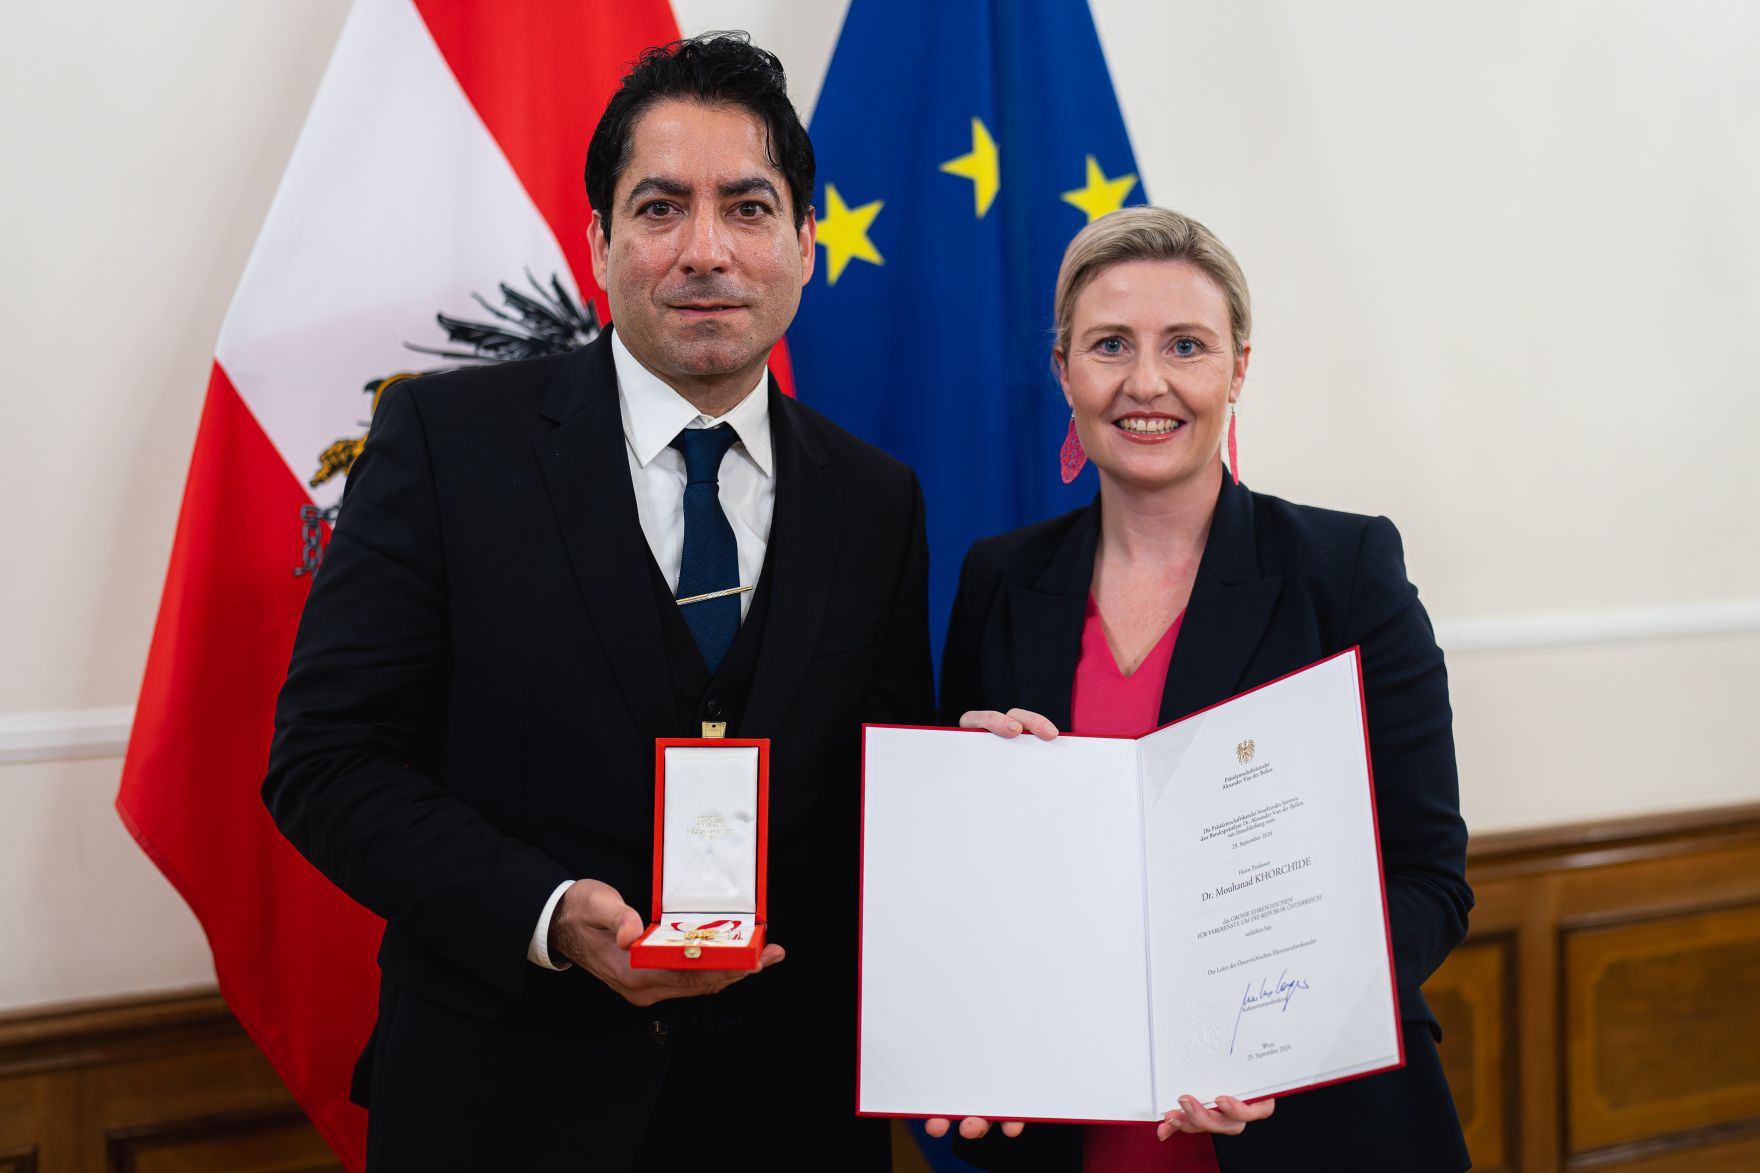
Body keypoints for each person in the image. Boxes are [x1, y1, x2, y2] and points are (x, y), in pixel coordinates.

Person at [263, 34, 931, 1171]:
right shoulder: (444, 444)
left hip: (787, 1114)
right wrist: (548, 912)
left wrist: (992, 777)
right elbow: (325, 763)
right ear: (599, 241)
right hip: (501, 1109)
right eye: (661, 207)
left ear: (804, 244)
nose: (705, 251)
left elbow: (882, 793)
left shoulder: (877, 499)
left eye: (750, 208)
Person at [934, 207, 1472, 1172]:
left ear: (1237, 369)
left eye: (1186, 345)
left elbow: (1432, 877)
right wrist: (974, 794)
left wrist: (1280, 1033)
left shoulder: (1344, 570)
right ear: (1063, 371)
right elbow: (976, 895)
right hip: (1074, 1138)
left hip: (1312, 1129)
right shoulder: (999, 580)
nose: (1147, 383)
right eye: (1110, 346)